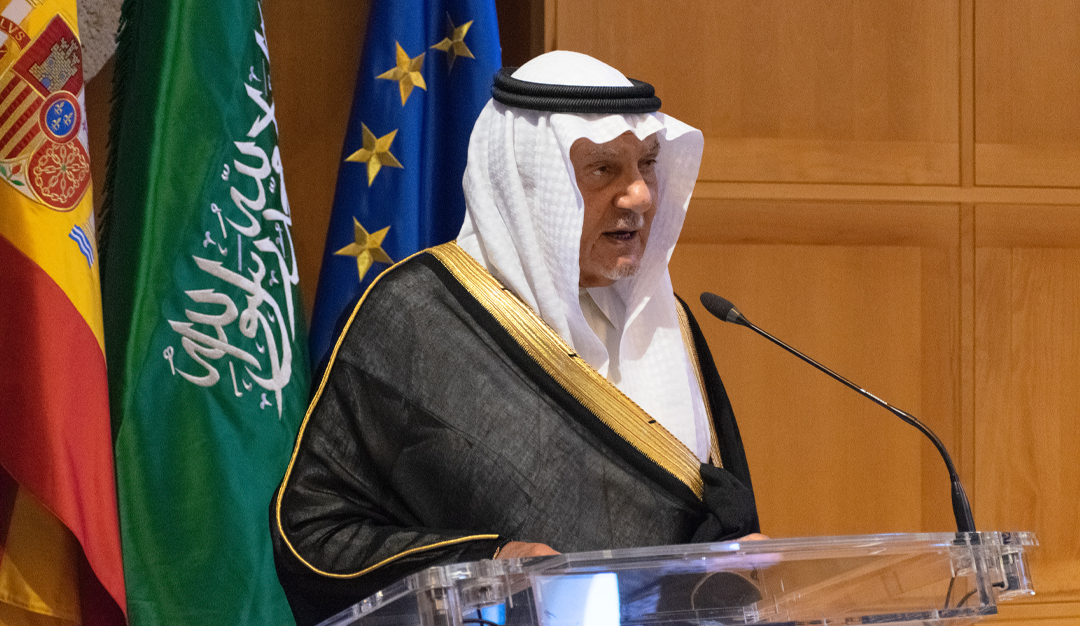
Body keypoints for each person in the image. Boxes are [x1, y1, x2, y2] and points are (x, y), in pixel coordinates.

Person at [270, 51, 760, 626]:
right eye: (604, 169)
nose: (640, 196)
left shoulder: (670, 324)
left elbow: (714, 521)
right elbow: (315, 537)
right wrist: (488, 564)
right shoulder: (415, 315)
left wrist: (738, 560)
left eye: (647, 164)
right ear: (530, 183)